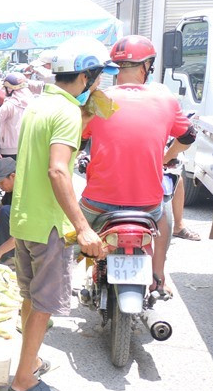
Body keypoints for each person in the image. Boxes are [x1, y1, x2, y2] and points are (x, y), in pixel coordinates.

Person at [8, 36, 111, 391]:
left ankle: (30, 359)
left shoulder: (39, 105)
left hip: (24, 218)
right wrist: (83, 227)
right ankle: (23, 380)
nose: (99, 85)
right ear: (86, 77)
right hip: (50, 223)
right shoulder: (66, 113)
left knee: (29, 297)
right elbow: (57, 170)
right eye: (98, 78)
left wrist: (85, 114)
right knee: (44, 303)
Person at [82, 35, 194, 296]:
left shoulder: (98, 101)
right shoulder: (165, 100)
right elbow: (188, 136)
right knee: (164, 219)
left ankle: (84, 275)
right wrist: (166, 158)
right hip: (147, 204)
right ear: (146, 67)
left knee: (73, 231)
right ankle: (158, 275)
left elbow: (78, 140)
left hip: (98, 202)